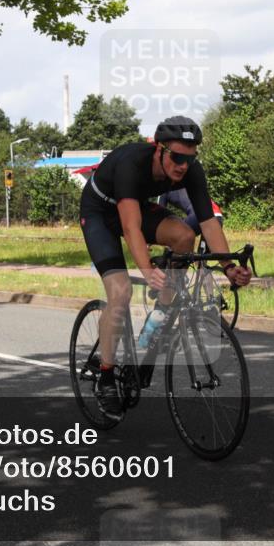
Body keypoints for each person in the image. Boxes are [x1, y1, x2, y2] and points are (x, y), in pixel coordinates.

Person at [79, 115, 252, 420]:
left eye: (190, 158)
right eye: (177, 157)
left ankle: (159, 315)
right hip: (99, 211)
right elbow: (131, 228)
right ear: (159, 149)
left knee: (185, 236)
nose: (183, 165)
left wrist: (227, 266)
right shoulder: (132, 163)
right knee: (120, 292)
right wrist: (147, 270)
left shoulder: (190, 171)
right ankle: (106, 375)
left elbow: (208, 223)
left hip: (133, 206)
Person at [157, 188, 224, 237]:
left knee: (177, 238)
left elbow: (159, 215)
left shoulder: (163, 190)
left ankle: (170, 254)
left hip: (198, 214)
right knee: (206, 254)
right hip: (217, 215)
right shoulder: (187, 185)